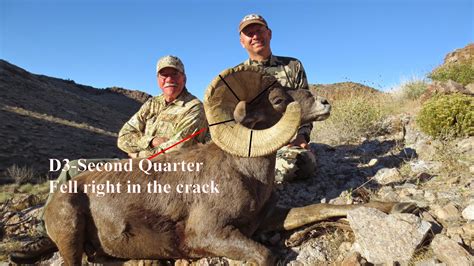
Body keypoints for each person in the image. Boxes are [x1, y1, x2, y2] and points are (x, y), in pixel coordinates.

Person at [9, 55, 208, 264]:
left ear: (184, 78)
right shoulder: (152, 104)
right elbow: (123, 137)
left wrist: (139, 150)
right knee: (73, 168)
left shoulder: (194, 107)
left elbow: (178, 148)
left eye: (174, 74)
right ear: (158, 79)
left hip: (165, 174)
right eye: (164, 74)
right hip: (134, 165)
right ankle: (48, 234)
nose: (169, 79)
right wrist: (152, 142)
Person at [238, 14, 317, 182]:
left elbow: (306, 106)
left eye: (259, 30)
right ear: (242, 41)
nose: (255, 36)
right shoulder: (236, 76)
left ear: (269, 34)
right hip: (254, 146)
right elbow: (234, 117)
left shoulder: (292, 66)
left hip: (288, 143)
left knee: (303, 163)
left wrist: (301, 137)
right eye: (249, 33)